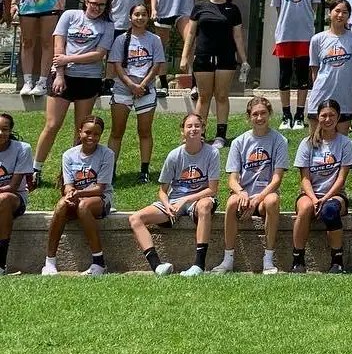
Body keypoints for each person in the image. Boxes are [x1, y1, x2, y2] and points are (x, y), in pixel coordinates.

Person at [32, 0, 114, 186]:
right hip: (63, 76)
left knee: (81, 129)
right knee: (52, 125)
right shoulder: (70, 15)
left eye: (101, 5)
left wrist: (68, 58)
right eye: (93, 3)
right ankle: (35, 170)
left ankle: (71, 173)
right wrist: (60, 74)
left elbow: (98, 55)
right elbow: (58, 46)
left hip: (88, 80)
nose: (97, 8)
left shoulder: (107, 25)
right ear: (86, 1)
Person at [128, 112, 219, 277]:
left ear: (203, 129)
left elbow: (212, 189)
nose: (193, 129)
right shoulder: (174, 155)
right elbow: (162, 191)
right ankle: (157, 266)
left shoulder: (212, 153)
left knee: (206, 205)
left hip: (198, 199)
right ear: (182, 131)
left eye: (197, 126)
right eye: (189, 126)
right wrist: (168, 204)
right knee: (135, 219)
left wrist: (186, 199)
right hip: (174, 202)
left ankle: (199, 265)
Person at [212, 95, 288, 275]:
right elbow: (232, 178)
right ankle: (228, 259)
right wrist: (241, 193)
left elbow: (277, 179)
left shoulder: (279, 141)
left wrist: (256, 199)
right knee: (231, 202)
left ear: (269, 114)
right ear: (249, 117)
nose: (259, 118)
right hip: (244, 195)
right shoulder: (239, 142)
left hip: (263, 197)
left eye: (263, 113)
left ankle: (268, 259)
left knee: (272, 201)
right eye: (255, 114)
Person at [180, 0, 249, 150]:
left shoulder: (232, 9)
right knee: (203, 96)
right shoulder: (200, 7)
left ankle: (220, 135)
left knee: (221, 95)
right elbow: (191, 34)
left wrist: (244, 59)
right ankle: (198, 133)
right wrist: (184, 56)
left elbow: (238, 36)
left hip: (226, 57)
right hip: (203, 57)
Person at [41, 115, 114, 276]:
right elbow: (68, 185)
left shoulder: (107, 154)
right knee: (61, 205)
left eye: (96, 134)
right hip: (76, 196)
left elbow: (100, 188)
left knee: (83, 206)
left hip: (100, 199)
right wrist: (69, 194)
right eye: (87, 132)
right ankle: (49, 262)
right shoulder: (69, 155)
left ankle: (99, 263)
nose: (91, 137)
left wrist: (78, 193)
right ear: (79, 131)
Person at [291, 99, 352, 274]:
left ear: (339, 117)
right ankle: (298, 259)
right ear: (317, 118)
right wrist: (314, 199)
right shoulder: (307, 143)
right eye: (324, 115)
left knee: (330, 210)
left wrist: (324, 199)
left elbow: (341, 178)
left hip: (335, 194)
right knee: (304, 208)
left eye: (332, 115)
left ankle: (337, 260)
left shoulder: (346, 144)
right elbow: (304, 179)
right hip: (310, 193)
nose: (328, 119)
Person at [107, 3, 166, 183]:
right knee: (117, 131)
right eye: (137, 14)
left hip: (146, 89)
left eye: (144, 15)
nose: (140, 18)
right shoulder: (121, 40)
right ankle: (111, 169)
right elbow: (117, 65)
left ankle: (144, 170)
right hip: (123, 88)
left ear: (148, 17)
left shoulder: (154, 39)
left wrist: (142, 85)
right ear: (130, 17)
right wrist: (132, 85)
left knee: (145, 131)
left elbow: (156, 65)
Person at [270, 0, 322, 131]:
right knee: (284, 75)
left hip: (305, 35)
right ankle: (286, 115)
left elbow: (314, 6)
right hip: (284, 34)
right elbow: (278, 8)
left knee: (302, 76)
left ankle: (300, 115)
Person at [307, 0, 352, 135]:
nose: (340, 15)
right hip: (320, 95)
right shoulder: (317, 39)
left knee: (341, 142)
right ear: (329, 13)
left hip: (344, 98)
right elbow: (314, 69)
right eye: (337, 11)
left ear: (348, 16)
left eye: (344, 12)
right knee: (315, 141)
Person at [104, 0, 150, 97]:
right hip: (115, 21)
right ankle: (109, 82)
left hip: (135, 23)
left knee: (133, 55)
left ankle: (135, 83)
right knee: (113, 55)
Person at [0, 113, 33, 274]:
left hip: (15, 199)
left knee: (4, 198)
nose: (1, 133)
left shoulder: (22, 148)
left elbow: (13, 186)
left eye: (4, 129)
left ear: (10, 130)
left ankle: (0, 263)